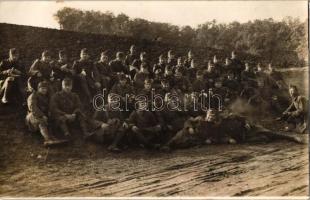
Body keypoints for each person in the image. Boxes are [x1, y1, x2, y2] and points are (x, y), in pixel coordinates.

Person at [26, 81, 65, 146]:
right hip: (32, 117)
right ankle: (47, 139)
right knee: (42, 121)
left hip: (43, 116)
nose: (44, 90)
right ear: (38, 88)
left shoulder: (47, 97)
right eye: (42, 88)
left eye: (45, 89)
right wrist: (42, 115)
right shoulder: (33, 96)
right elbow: (33, 108)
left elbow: (51, 107)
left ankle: (53, 138)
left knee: (54, 120)